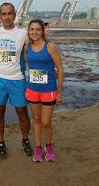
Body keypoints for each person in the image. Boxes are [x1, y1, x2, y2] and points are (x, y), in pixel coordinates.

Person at [0, 3, 33, 159]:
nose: (7, 17)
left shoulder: (23, 33)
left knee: (22, 111)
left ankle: (25, 140)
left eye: (9, 13)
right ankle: (1, 143)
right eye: (3, 14)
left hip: (17, 78)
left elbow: (37, 43)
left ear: (14, 15)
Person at [24, 19, 64, 162]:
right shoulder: (26, 47)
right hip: (32, 89)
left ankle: (49, 146)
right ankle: (39, 147)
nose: (34, 32)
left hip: (48, 90)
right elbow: (25, 68)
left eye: (37, 29)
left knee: (46, 122)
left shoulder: (50, 47)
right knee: (36, 119)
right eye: (31, 29)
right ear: (29, 31)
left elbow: (60, 69)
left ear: (42, 31)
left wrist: (59, 91)